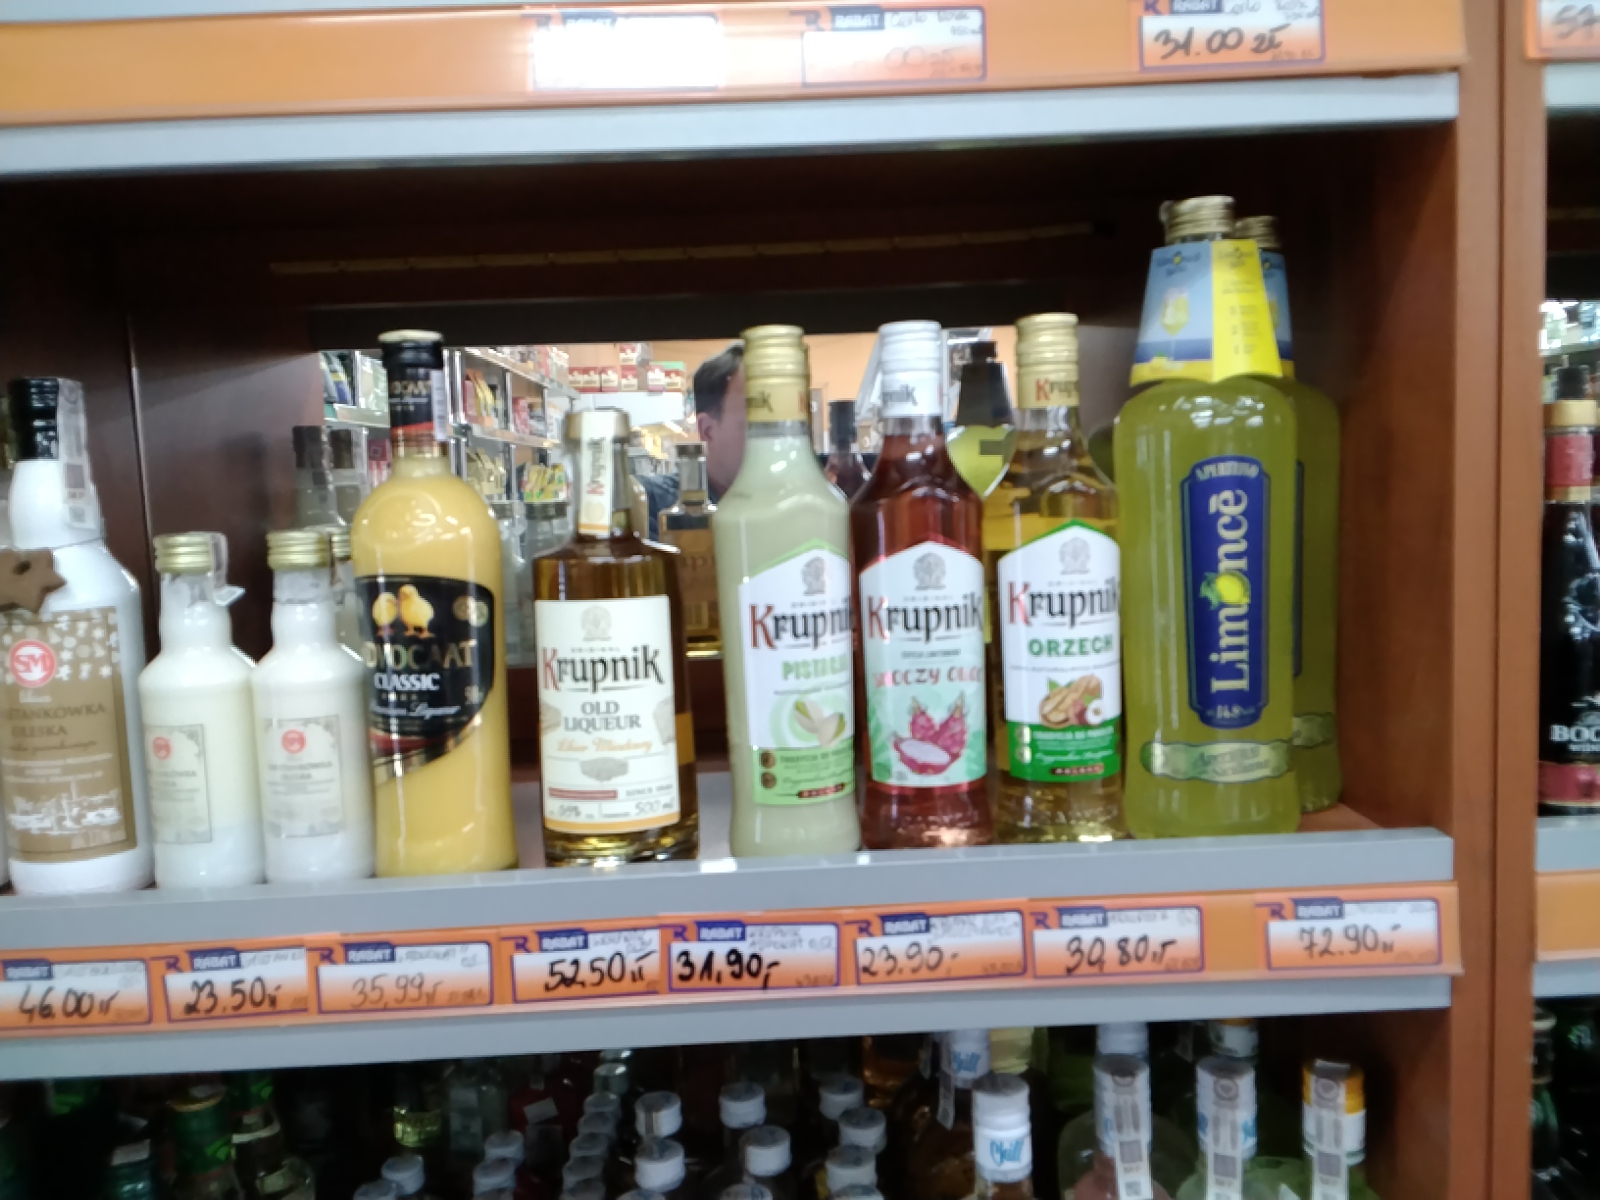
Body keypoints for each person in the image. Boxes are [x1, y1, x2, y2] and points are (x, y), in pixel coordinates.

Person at [640, 343, 745, 535]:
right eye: (757, 425)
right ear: (707, 430)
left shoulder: (795, 504)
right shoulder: (651, 506)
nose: (776, 441)